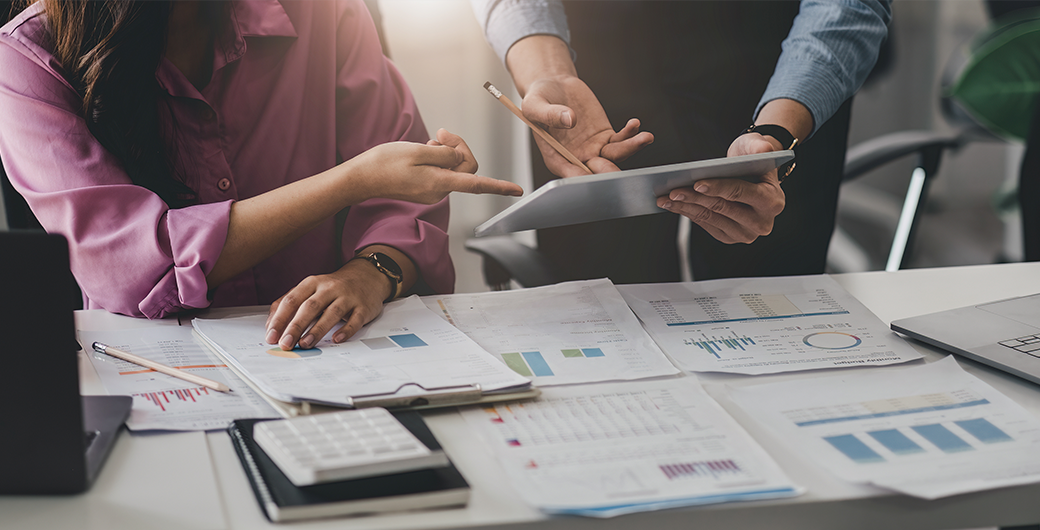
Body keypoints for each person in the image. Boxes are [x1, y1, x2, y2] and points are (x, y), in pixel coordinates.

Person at [0, 0, 522, 350]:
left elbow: (404, 198)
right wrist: (352, 180)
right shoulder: (28, 57)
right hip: (158, 365)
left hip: (343, 350)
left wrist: (371, 272)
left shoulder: (325, 12)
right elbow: (137, 267)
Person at [471, 0, 891, 282]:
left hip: (775, 76)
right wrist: (549, 71)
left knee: (771, 302)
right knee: (603, 311)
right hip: (589, 91)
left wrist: (777, 132)